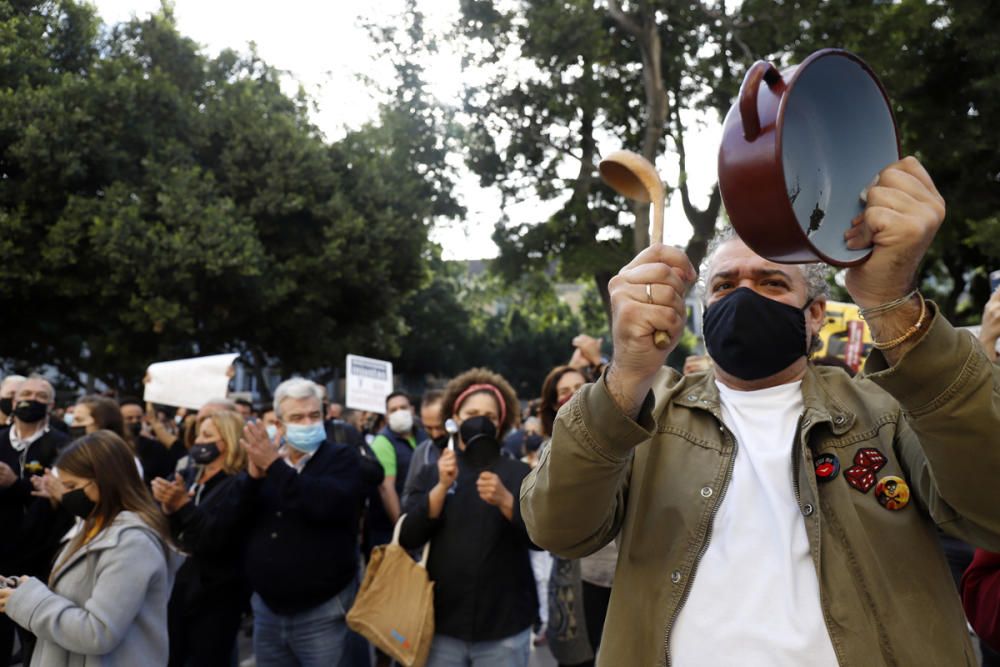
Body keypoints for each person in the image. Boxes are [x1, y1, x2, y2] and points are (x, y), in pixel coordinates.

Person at [521, 156, 1000, 665]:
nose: (745, 297)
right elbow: (557, 528)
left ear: (815, 314)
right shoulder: (645, 419)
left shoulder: (888, 410)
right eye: (725, 286)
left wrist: (893, 304)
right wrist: (626, 375)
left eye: (771, 283)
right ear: (703, 312)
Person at [216, 378, 364, 667]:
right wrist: (253, 479)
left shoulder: (341, 458)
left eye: (314, 415)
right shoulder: (267, 463)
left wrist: (274, 467)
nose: (307, 423)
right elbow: (229, 521)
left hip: (323, 612)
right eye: (297, 417)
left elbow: (325, 504)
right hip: (268, 612)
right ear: (280, 425)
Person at [0, 431, 178, 666]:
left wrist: (28, 600)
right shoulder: (93, 527)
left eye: (72, 485)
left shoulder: (132, 543)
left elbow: (98, 632)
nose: (65, 493)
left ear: (103, 481)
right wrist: (21, 589)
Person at [400, 368, 537, 667]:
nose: (479, 420)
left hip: (504, 624)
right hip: (441, 624)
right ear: (455, 418)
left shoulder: (519, 473)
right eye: (472, 412)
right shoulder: (434, 468)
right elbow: (407, 536)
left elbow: (542, 539)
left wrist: (505, 501)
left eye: (489, 415)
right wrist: (441, 487)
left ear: (500, 422)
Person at [151, 410, 251, 667]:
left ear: (227, 442)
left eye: (207, 436)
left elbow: (216, 537)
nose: (198, 442)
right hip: (182, 589)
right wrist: (168, 507)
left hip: (216, 596)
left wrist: (183, 505)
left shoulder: (238, 484)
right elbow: (179, 533)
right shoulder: (193, 477)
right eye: (198, 435)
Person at [536, 365, 609, 667]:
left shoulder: (622, 437)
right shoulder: (549, 449)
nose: (572, 395)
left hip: (627, 577)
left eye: (579, 386)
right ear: (553, 405)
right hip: (579, 578)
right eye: (563, 392)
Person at [368, 392, 425, 553]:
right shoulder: (383, 442)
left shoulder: (423, 435)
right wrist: (402, 530)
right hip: (391, 529)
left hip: (420, 520)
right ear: (386, 415)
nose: (399, 412)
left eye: (403, 407)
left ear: (412, 410)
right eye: (393, 410)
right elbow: (387, 489)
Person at [401, 389, 449, 513]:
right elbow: (407, 497)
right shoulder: (422, 452)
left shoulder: (466, 449)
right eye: (428, 428)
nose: (435, 434)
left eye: (439, 427)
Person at [121, 397, 186, 483]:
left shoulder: (155, 448)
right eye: (129, 418)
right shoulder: (111, 446)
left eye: (138, 418)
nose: (135, 421)